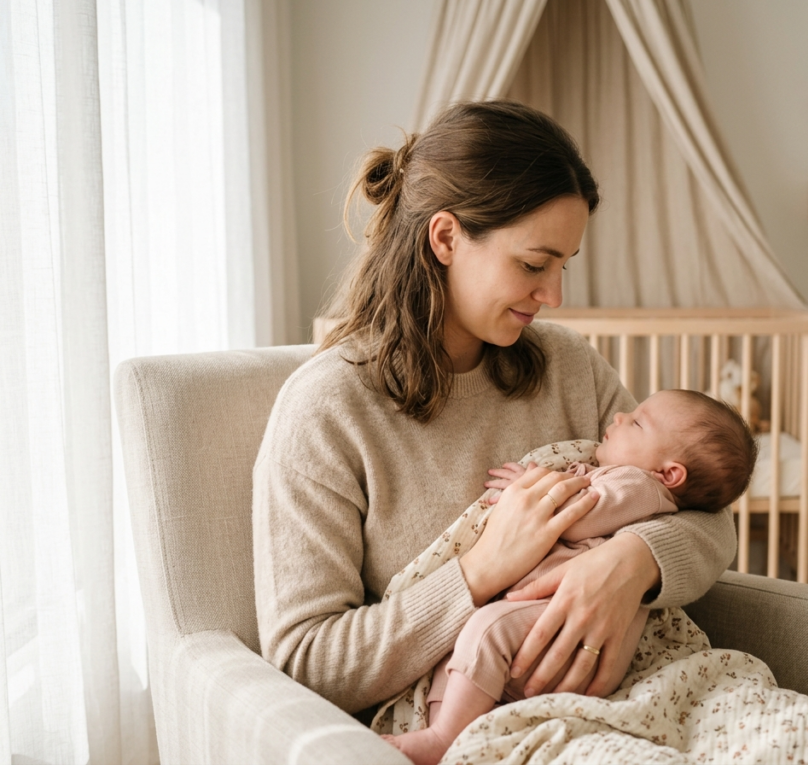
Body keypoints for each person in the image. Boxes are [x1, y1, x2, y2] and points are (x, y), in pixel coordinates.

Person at [251, 100, 737, 731]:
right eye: (534, 265)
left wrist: (630, 564)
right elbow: (304, 663)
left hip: (628, 701)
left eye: (564, 265)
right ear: (446, 237)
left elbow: (705, 512)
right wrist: (480, 572)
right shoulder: (327, 410)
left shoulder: (568, 365)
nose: (555, 296)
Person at [383, 389, 756, 765]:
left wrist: (530, 486)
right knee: (462, 638)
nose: (620, 416)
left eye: (638, 421)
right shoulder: (625, 476)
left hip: (569, 632)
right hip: (547, 625)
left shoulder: (638, 485)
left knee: (485, 630)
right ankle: (445, 734)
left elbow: (577, 520)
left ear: (669, 474)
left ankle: (444, 737)